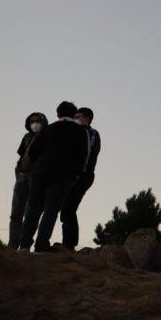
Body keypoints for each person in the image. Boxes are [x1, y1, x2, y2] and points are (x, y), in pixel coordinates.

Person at [16, 101, 90, 252]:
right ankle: (41, 245)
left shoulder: (48, 129)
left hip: (40, 173)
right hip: (64, 176)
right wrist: (76, 174)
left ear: (57, 114)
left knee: (33, 209)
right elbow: (84, 156)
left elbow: (32, 151)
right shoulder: (81, 132)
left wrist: (39, 165)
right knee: (51, 210)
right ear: (73, 114)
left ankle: (24, 245)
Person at [57, 106, 99, 251]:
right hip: (74, 174)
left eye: (78, 116)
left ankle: (69, 244)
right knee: (67, 208)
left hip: (82, 175)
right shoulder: (78, 131)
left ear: (87, 118)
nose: (75, 119)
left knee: (68, 208)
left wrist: (79, 172)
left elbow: (88, 154)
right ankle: (68, 243)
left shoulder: (91, 133)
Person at [9, 111, 47, 249]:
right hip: (22, 176)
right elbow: (21, 154)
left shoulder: (47, 136)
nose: (34, 123)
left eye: (37, 121)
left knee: (30, 213)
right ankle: (12, 245)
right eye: (31, 121)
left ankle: (24, 246)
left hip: (36, 177)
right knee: (15, 214)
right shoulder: (26, 137)